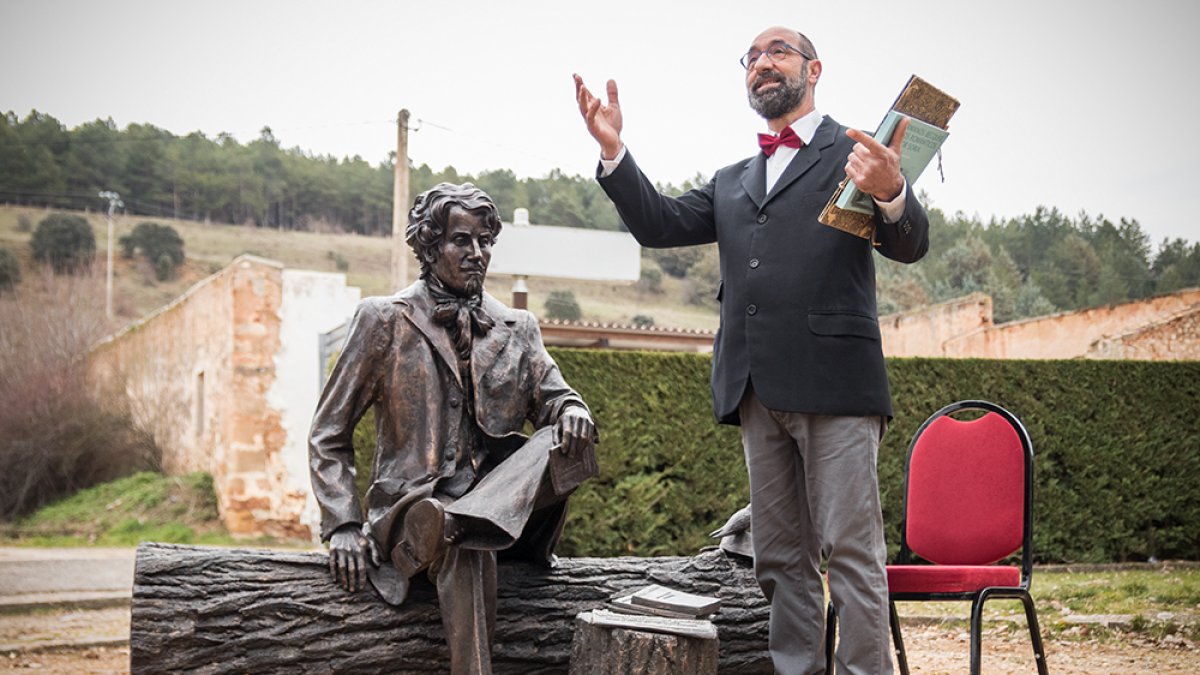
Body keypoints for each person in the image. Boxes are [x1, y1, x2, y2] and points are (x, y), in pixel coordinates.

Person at [575, 25, 928, 675]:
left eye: (779, 52)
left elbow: (909, 242)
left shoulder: (855, 152)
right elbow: (657, 224)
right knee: (778, 558)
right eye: (752, 57)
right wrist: (615, 151)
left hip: (838, 384)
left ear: (814, 70)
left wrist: (890, 189)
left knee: (851, 552)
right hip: (755, 390)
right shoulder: (732, 179)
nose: (762, 63)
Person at [308, 182, 597, 675]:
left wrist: (573, 411)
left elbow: (558, 397)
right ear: (429, 244)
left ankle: (468, 520)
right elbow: (328, 434)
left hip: (497, 506)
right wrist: (343, 523)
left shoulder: (518, 328)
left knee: (565, 443)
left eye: (485, 241)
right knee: (461, 544)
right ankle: (460, 526)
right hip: (411, 510)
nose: (477, 254)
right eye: (462, 241)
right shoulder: (383, 320)